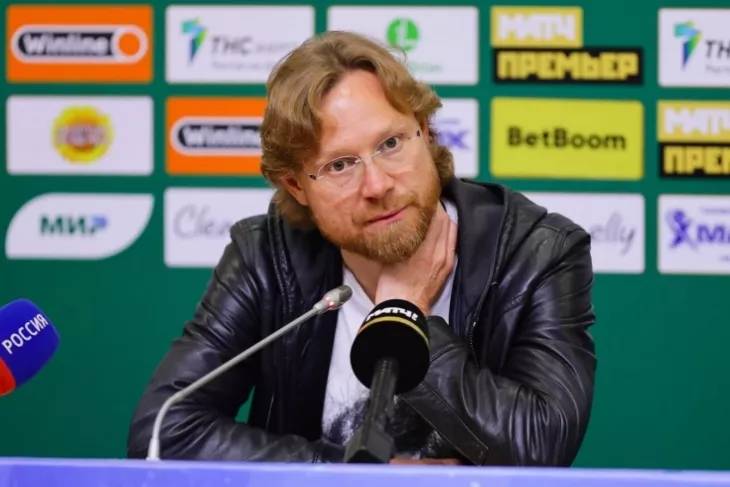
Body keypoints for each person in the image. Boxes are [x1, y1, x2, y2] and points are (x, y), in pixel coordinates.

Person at [126, 30, 597, 466]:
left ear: (425, 131)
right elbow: (163, 433)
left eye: (391, 143)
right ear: (296, 186)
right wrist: (349, 473)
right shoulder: (267, 258)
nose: (377, 185)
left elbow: (543, 446)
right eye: (339, 165)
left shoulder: (534, 253)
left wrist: (407, 318)